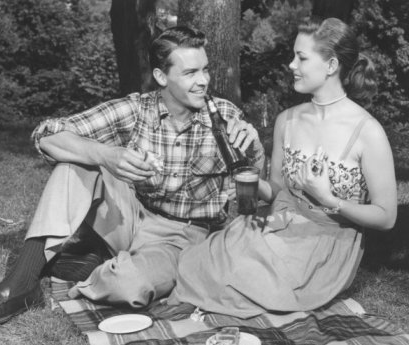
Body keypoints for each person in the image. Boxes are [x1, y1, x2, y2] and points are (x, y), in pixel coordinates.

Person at [0, 26, 264, 325]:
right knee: (72, 164)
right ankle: (21, 283)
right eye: (190, 73)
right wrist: (106, 155)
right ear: (162, 77)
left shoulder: (223, 115)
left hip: (187, 237)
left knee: (128, 286)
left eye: (206, 70)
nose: (203, 81)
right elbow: (47, 134)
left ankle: (91, 263)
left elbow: (253, 186)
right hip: (134, 217)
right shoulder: (137, 109)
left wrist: (253, 150)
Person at [167, 17, 398, 318]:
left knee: (239, 277)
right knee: (206, 258)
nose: (291, 65)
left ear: (331, 66)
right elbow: (275, 191)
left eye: (301, 57)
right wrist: (249, 177)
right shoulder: (286, 119)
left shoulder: (368, 131)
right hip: (281, 227)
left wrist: (330, 200)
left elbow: (387, 216)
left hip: (327, 244)